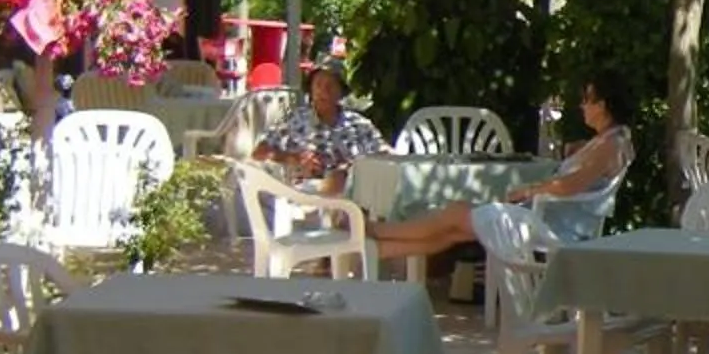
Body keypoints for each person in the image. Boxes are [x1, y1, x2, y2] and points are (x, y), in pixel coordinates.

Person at [368, 70, 633, 263]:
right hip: (552, 219)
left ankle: (373, 232)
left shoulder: (611, 145)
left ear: (603, 105)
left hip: (553, 226)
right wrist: (578, 150)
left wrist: (528, 190)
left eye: (587, 99)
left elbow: (570, 186)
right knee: (455, 232)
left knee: (454, 214)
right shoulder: (609, 140)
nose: (582, 105)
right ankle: (375, 250)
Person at [255, 62, 384, 197]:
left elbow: (386, 154)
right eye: (318, 85)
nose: (323, 91)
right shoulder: (294, 120)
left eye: (331, 86)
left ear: (341, 92)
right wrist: (295, 158)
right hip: (308, 196)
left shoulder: (358, 125)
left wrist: (355, 166)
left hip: (355, 193)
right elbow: (259, 152)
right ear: (311, 89)